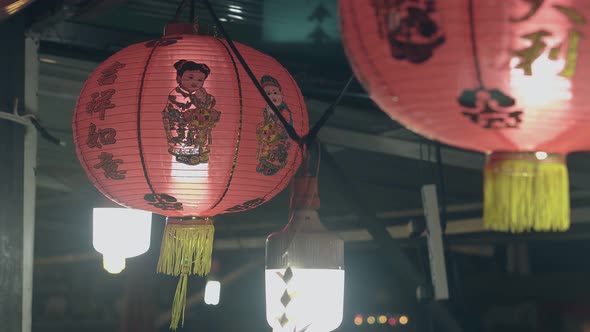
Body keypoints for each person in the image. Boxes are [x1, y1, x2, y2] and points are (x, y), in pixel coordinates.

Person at [162, 60, 221, 165]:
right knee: (184, 139)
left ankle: (199, 154)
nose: (195, 82)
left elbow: (209, 104)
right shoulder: (176, 94)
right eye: (190, 78)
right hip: (182, 124)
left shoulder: (201, 93)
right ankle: (184, 156)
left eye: (200, 80)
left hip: (199, 124)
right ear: (179, 78)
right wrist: (188, 115)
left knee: (200, 138)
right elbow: (174, 110)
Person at [256, 75, 293, 176]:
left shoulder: (284, 111)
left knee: (274, 152)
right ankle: (264, 164)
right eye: (268, 94)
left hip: (280, 138)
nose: (273, 96)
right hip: (269, 136)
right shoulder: (267, 109)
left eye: (275, 93)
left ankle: (270, 167)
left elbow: (284, 127)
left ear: (281, 94)